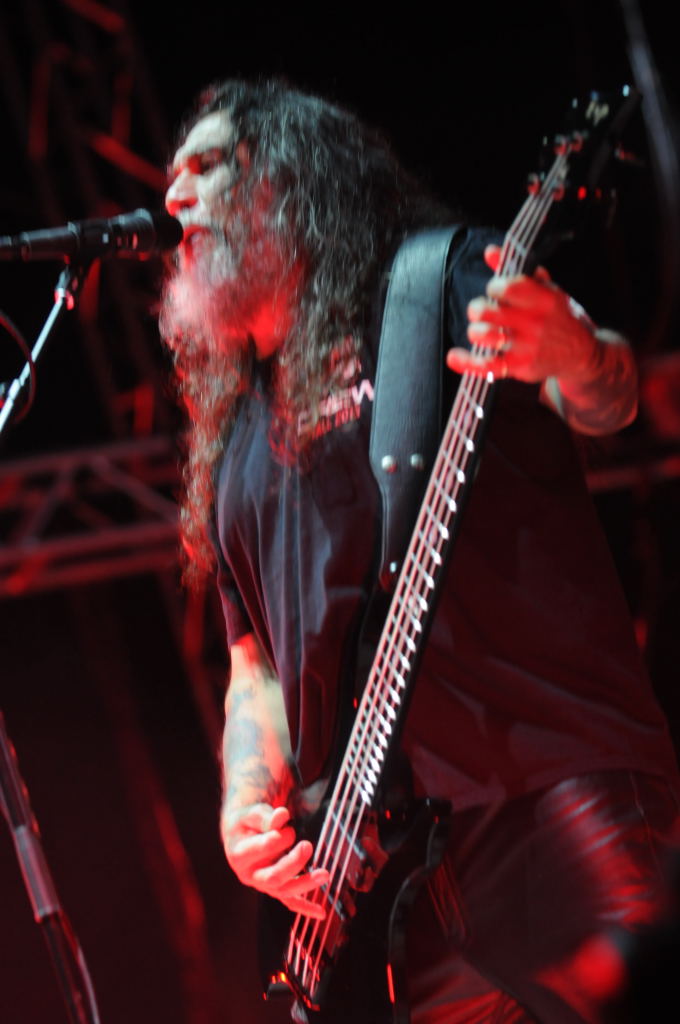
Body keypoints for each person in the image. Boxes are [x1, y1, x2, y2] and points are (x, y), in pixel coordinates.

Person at [160, 78, 680, 1023]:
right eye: (173, 175)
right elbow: (254, 670)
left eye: (206, 166)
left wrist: (572, 352)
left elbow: (608, 398)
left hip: (552, 791)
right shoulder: (232, 439)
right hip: (393, 883)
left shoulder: (431, 285)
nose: (173, 196)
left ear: (286, 181)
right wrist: (243, 806)